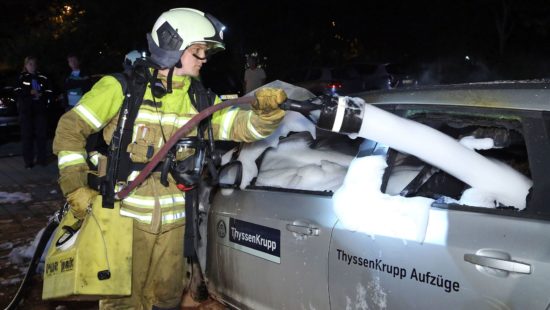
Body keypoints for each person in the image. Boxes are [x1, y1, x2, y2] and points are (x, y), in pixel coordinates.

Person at [53, 8, 287, 309]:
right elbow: (70, 130)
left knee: (166, 300)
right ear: (172, 47)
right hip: (124, 221)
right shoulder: (121, 88)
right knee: (123, 302)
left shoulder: (200, 98)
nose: (204, 58)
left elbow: (239, 126)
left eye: (205, 52)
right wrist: (74, 186)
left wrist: (266, 114)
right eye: (197, 50)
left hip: (176, 224)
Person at [14, 56, 53, 168]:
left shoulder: (43, 77)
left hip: (40, 111)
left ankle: (42, 159)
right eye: (29, 64)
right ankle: (28, 161)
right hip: (26, 112)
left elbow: (49, 91)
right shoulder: (21, 77)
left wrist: (44, 97)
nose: (32, 66)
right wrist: (29, 92)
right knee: (27, 137)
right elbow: (17, 91)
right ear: (25, 65)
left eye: (34, 64)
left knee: (41, 136)